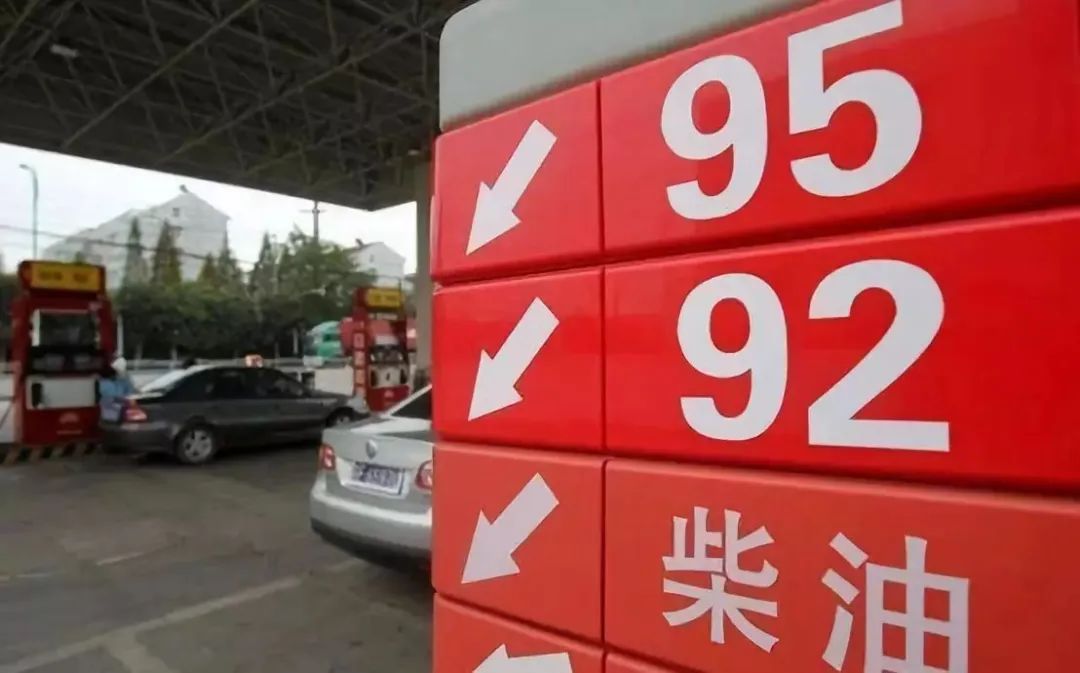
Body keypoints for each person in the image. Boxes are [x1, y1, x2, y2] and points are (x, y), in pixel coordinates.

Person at [98, 357, 135, 422]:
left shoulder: (125, 379)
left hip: (120, 415)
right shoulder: (101, 382)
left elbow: (130, 397)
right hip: (104, 416)